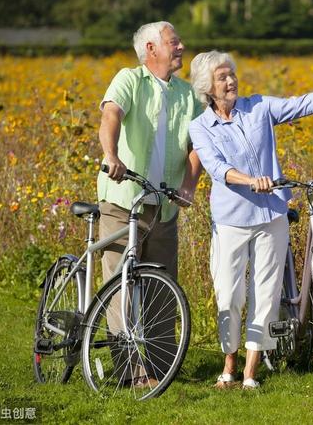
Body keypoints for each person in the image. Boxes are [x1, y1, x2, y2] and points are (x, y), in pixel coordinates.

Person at [188, 50, 313, 389]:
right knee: (229, 295)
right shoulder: (201, 127)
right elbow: (218, 168)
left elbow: (302, 104)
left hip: (272, 215)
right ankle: (228, 364)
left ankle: (249, 373)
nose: (231, 81)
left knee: (265, 294)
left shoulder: (258, 107)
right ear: (208, 88)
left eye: (231, 74)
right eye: (222, 77)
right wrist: (250, 180)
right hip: (232, 220)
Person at [97, 21, 202, 388]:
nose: (181, 47)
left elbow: (198, 146)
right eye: (174, 42)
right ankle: (129, 370)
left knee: (162, 289)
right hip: (123, 200)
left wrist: (189, 185)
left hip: (164, 207)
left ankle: (160, 370)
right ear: (152, 48)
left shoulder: (187, 95)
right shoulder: (129, 79)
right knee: (121, 286)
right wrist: (111, 155)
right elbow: (111, 114)